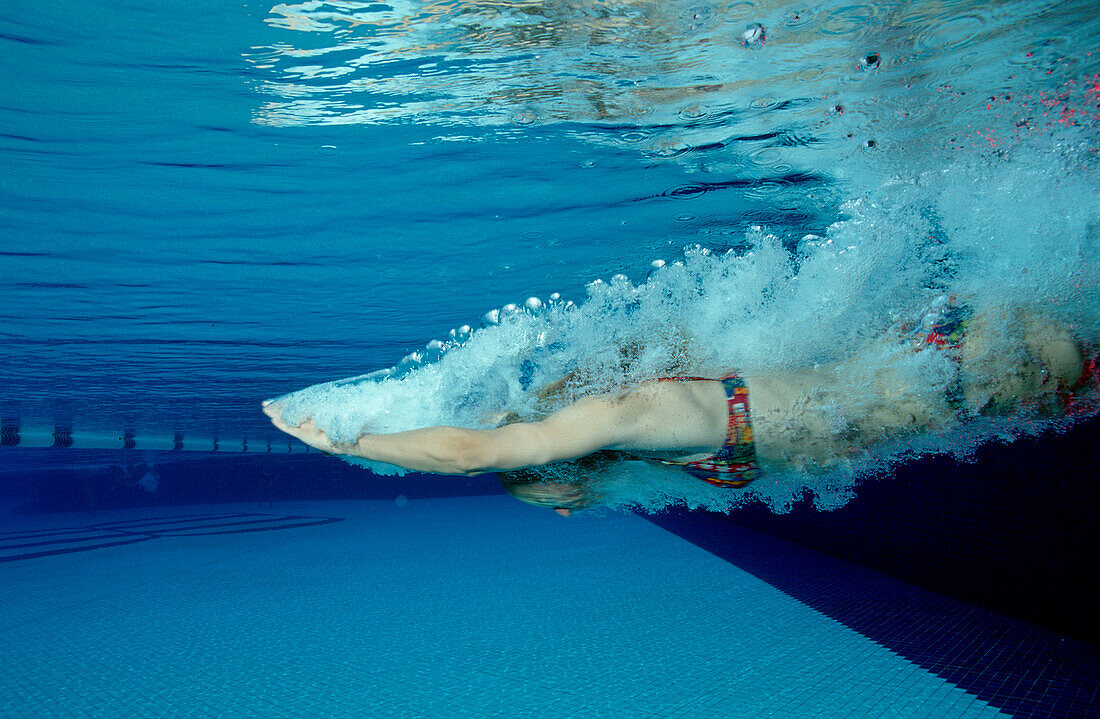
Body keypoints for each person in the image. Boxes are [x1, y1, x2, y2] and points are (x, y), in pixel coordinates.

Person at [263, 302, 1096, 516]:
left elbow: (475, 451)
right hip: (960, 383)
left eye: (538, 492)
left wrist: (349, 440)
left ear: (551, 468)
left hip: (966, 359)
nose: (556, 511)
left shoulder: (633, 417)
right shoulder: (647, 453)